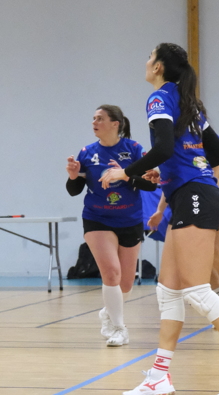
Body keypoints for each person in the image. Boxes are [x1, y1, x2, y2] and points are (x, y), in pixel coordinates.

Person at [102, 43, 219, 395]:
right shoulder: (189, 102)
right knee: (168, 291)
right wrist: (173, 170)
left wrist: (125, 172)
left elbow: (163, 147)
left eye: (149, 56)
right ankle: (159, 377)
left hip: (195, 195)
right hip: (188, 194)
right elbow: (218, 153)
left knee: (197, 290)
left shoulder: (159, 98)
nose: (146, 61)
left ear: (159, 67)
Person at [66, 106, 157, 346]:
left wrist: (126, 175)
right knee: (111, 273)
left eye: (100, 118)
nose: (94, 122)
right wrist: (74, 176)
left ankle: (108, 312)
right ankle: (119, 328)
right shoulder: (87, 153)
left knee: (125, 284)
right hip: (97, 218)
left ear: (115, 123)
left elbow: (150, 185)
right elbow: (74, 191)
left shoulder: (134, 149)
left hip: (130, 219)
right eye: (93, 118)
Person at [147, 158, 219, 328]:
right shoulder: (175, 153)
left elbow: (216, 179)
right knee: (201, 258)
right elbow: (171, 182)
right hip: (199, 202)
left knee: (215, 253)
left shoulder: (207, 147)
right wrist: (160, 210)